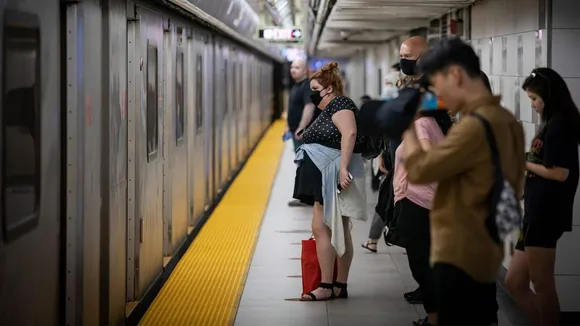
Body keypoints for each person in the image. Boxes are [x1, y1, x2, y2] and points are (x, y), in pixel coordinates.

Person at [402, 37, 525, 325]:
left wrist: (406, 126)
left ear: (455, 74)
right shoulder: (505, 120)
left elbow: (420, 170)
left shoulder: (473, 126)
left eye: (438, 85)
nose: (438, 95)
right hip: (485, 245)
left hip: (461, 250)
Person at [505, 68, 580, 326]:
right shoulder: (551, 124)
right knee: (514, 282)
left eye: (535, 99)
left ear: (549, 97)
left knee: (542, 283)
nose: (533, 106)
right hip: (535, 213)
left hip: (546, 215)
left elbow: (560, 173)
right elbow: (542, 164)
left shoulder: (559, 126)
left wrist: (523, 164)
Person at [293, 62, 368, 301]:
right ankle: (338, 285)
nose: (312, 93)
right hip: (323, 174)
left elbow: (350, 133)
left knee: (324, 226)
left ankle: (326, 285)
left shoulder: (340, 103)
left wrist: (344, 168)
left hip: (330, 174)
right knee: (335, 228)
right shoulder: (331, 107)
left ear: (328, 88)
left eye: (315, 88)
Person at [287, 59, 319, 207]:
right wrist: (289, 127)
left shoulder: (307, 85)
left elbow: (309, 107)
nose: (293, 70)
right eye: (292, 67)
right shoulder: (296, 85)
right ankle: (304, 195)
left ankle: (309, 196)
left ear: (305, 70)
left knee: (305, 164)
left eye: (297, 67)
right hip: (296, 131)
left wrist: (301, 127)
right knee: (301, 163)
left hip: (304, 132)